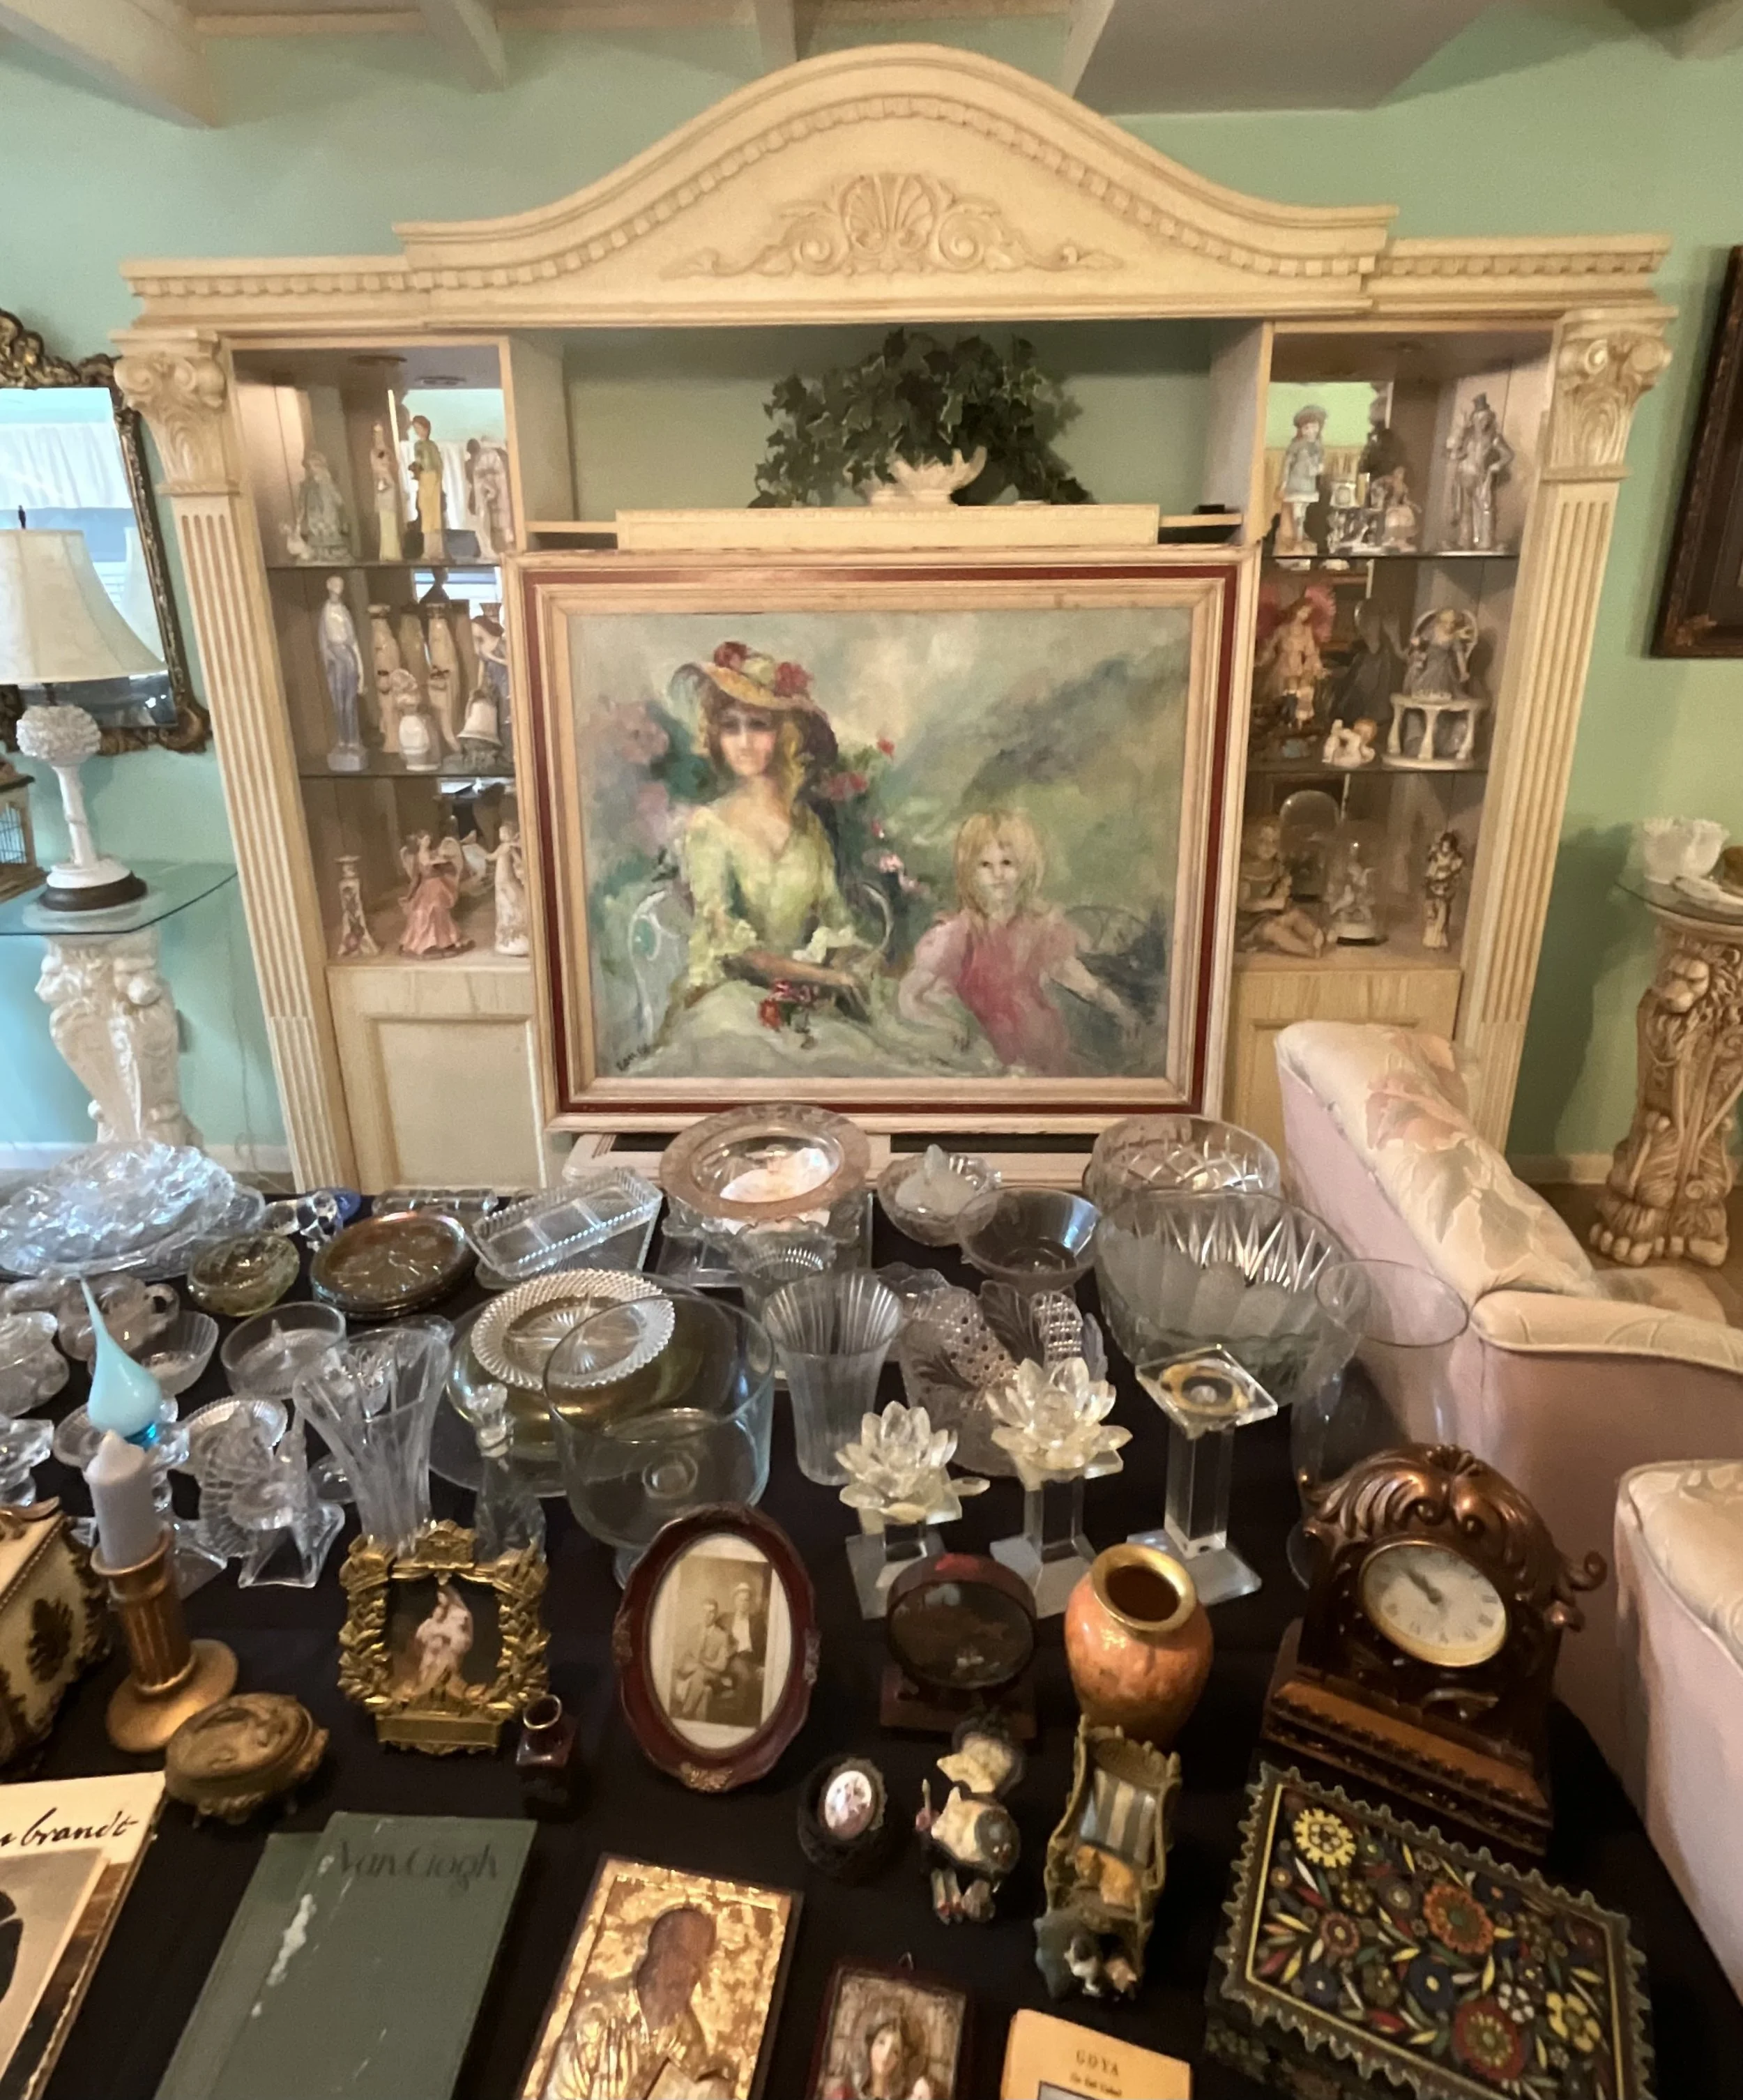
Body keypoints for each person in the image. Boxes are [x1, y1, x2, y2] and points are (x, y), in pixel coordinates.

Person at [630, 642, 979, 1079]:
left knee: (914, 1035)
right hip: (733, 998)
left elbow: (834, 919)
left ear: (784, 735)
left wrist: (846, 966)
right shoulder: (709, 827)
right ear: (715, 737)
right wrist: (824, 979)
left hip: (808, 991)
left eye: (757, 726)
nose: (743, 741)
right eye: (730, 727)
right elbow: (733, 953)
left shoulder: (809, 827)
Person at [899, 809, 1136, 1074]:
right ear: (969, 871)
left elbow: (1067, 970)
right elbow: (910, 995)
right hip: (984, 1053)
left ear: (1025, 868)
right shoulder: (959, 935)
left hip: (1042, 1044)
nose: (998, 874)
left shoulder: (1039, 928)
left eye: (1007, 863)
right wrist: (949, 1025)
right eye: (985, 865)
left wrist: (1113, 1004)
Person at [542, 1906, 734, 2100]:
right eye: (682, 1955)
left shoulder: (690, 2039)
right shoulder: (596, 2019)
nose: (690, 1974)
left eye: (698, 1963)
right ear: (657, 1949)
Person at [824, 2006, 936, 2100]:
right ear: (870, 2045)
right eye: (881, 2043)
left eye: (895, 2051)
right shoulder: (845, 2094)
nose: (886, 2054)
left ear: (900, 2060)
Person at [670, 1597, 733, 1721]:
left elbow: (721, 1665)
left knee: (700, 1674)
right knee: (703, 1689)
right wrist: (681, 1667)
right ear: (700, 1612)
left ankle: (685, 1713)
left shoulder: (722, 1636)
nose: (707, 1616)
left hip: (712, 1676)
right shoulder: (693, 1631)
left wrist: (703, 1663)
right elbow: (684, 1656)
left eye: (711, 1612)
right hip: (692, 1672)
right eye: (704, 1612)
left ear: (715, 1614)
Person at [405, 1581, 473, 1696]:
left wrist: (441, 1633)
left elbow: (458, 1637)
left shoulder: (458, 1614)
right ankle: (426, 1694)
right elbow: (424, 1634)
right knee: (427, 1671)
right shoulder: (439, 1614)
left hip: (447, 1652)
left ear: (448, 1596)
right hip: (434, 1651)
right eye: (438, 1597)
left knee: (442, 1674)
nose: (439, 1600)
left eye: (441, 1596)